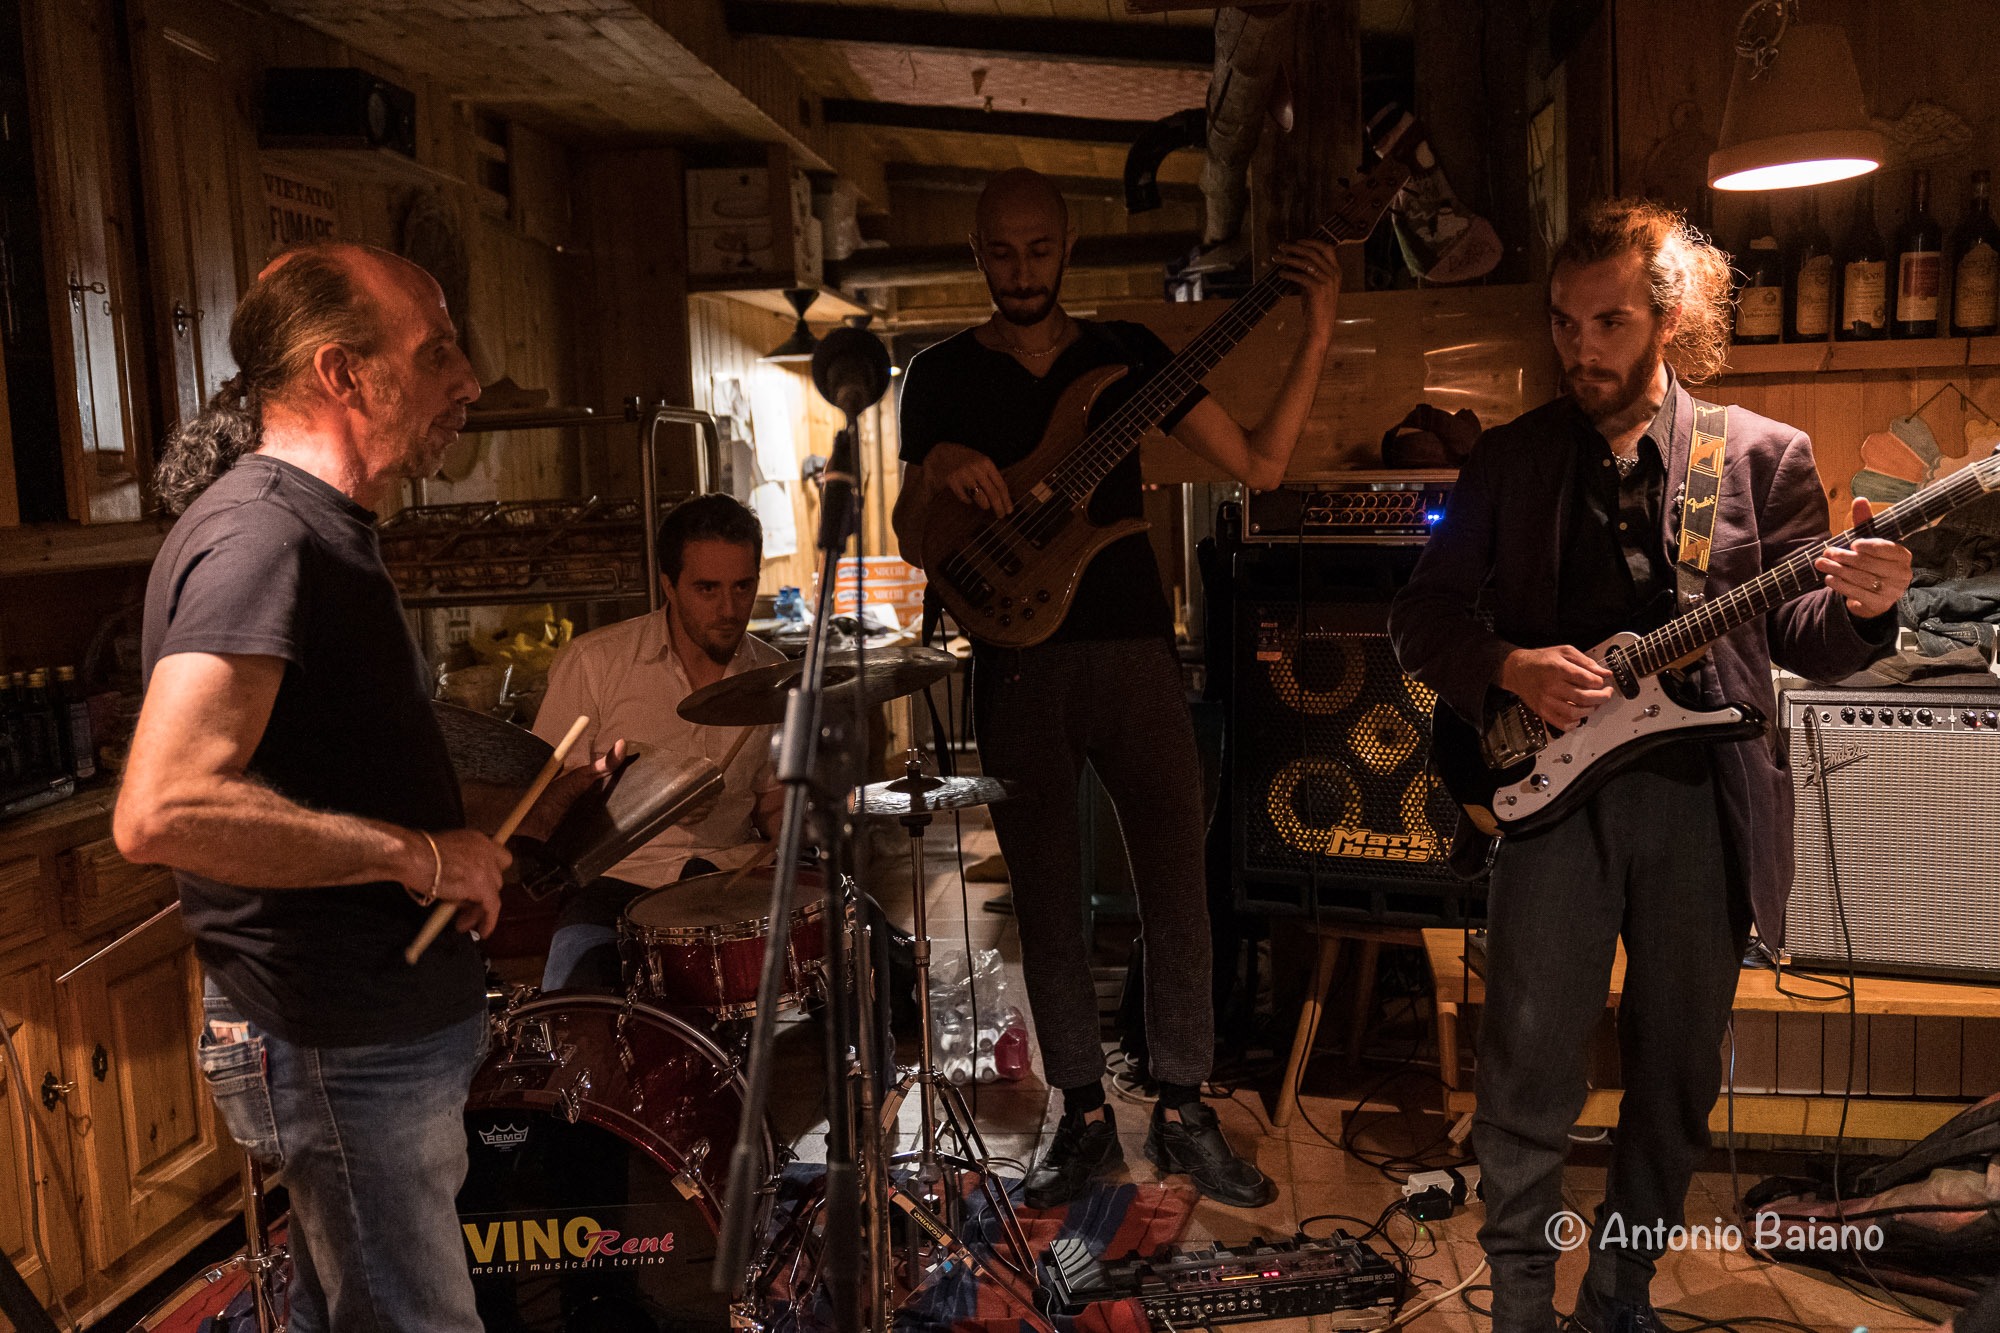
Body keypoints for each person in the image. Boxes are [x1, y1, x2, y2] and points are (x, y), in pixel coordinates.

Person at [1387, 199, 1914, 1333]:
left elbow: (1802, 635)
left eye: (1609, 322)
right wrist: (1511, 667)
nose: (1579, 348)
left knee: (1673, 1079)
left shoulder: (1761, 456)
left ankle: (1619, 1296)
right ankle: (1519, 1306)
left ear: (1669, 318)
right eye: (1563, 322)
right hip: (1553, 803)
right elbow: (1420, 621)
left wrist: (1867, 608)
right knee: (1527, 1072)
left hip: (1701, 808)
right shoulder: (1511, 459)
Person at [116, 242, 589, 1332]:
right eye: (436, 352)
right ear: (342, 372)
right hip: (335, 1039)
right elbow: (163, 807)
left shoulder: (321, 527)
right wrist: (417, 856)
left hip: (366, 1032)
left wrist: (465, 835)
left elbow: (325, 768)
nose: (468, 380)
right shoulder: (262, 538)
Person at [891, 167, 1342, 1209]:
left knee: (1177, 884)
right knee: (1045, 899)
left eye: (1038, 250)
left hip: (1134, 647)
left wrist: (1317, 327)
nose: (1021, 272)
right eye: (1001, 253)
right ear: (975, 254)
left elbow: (1261, 466)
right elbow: (915, 540)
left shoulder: (1125, 355)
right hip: (1014, 659)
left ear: (1067, 248)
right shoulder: (937, 375)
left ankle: (1183, 1109)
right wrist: (940, 466)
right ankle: (1082, 1115)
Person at [533, 492, 784, 991]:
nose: (729, 609)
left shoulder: (773, 675)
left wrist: (806, 824)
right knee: (575, 994)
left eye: (743, 586)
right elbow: (545, 808)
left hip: (731, 875)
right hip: (619, 883)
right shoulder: (594, 663)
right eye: (707, 589)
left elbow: (773, 803)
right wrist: (642, 796)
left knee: (863, 945)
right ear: (669, 585)